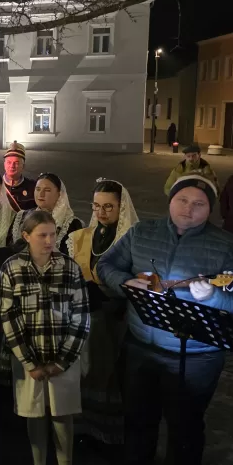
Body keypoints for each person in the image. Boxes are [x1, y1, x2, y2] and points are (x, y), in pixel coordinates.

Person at [98, 175, 233, 465]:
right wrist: (126, 282)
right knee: (138, 418)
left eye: (199, 204)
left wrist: (214, 296)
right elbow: (105, 265)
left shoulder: (227, 245)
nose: (189, 209)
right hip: (141, 344)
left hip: (196, 357)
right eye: (182, 200)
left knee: (185, 428)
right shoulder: (142, 233)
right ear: (170, 200)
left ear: (209, 209)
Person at [0, 210, 91, 465]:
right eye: (42, 235)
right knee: (35, 414)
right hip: (29, 359)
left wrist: (63, 360)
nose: (50, 240)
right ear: (26, 237)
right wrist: (29, 362)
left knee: (63, 414)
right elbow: (8, 317)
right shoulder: (12, 269)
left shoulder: (69, 268)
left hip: (62, 357)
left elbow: (81, 315)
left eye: (53, 234)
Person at [66, 179, 139, 447]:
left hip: (115, 318)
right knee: (85, 371)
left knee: (108, 373)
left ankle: (107, 433)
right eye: (96, 206)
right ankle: (84, 426)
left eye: (109, 206)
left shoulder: (131, 238)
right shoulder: (85, 236)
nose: (101, 212)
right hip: (86, 313)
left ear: (122, 207)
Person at [12, 173, 83, 255]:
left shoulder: (71, 223)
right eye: (38, 189)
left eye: (47, 190)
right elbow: (13, 249)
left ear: (59, 194)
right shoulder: (23, 216)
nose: (41, 194)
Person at [1, 141, 36, 211]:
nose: (12, 166)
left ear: (23, 166)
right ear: (4, 165)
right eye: (9, 162)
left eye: (16, 163)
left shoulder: (33, 188)